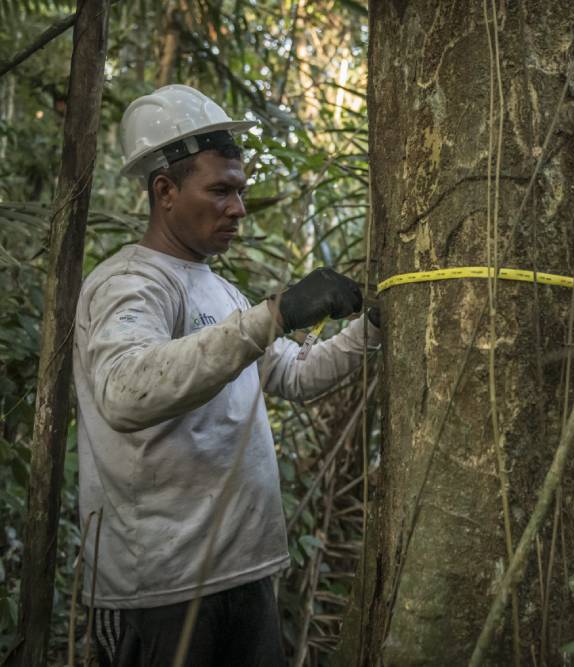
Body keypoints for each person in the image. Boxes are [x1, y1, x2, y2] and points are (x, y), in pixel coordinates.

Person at [72, 84, 379, 666]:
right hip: (161, 591)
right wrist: (274, 315)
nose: (238, 208)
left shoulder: (222, 291)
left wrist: (375, 329)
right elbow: (124, 391)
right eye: (220, 191)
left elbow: (294, 376)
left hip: (243, 574)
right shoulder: (130, 283)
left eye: (239, 190)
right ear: (165, 191)